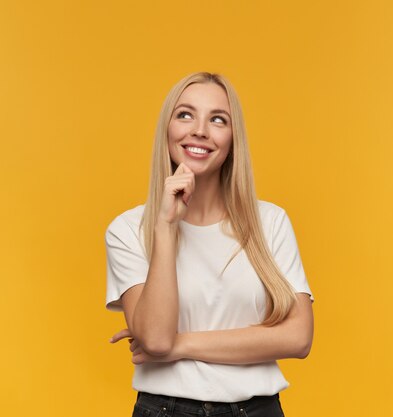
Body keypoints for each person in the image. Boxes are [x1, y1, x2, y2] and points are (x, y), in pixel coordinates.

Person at [105, 72, 314, 417]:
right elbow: (155, 339)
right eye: (185, 114)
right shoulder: (128, 229)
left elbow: (298, 338)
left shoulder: (270, 222)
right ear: (167, 129)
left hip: (258, 410)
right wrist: (165, 225)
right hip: (165, 410)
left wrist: (181, 345)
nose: (199, 130)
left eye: (218, 119)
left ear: (233, 139)